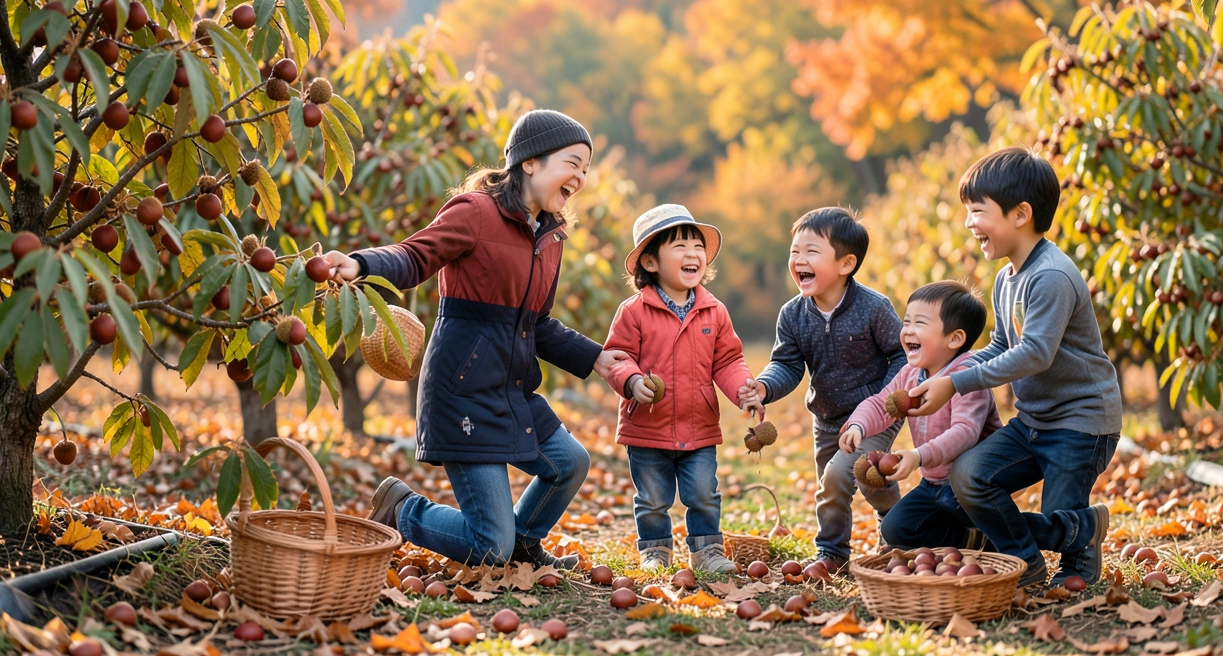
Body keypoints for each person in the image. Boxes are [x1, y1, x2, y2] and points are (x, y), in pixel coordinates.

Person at [322, 110, 628, 569]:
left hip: (511, 392)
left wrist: (597, 359)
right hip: (462, 392)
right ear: (530, 161)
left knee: (570, 463)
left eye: (586, 169)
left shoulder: (552, 237)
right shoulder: (476, 212)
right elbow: (415, 254)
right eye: (573, 163)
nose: (581, 177)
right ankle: (404, 510)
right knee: (488, 548)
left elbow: (538, 323)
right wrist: (363, 263)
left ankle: (523, 546)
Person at [907, 147, 1122, 588]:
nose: (968, 223)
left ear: (1020, 214)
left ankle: (1078, 551)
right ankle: (1027, 560)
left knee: (1059, 519)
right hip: (1035, 421)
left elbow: (1035, 354)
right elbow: (1003, 345)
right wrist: (946, 379)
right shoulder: (1007, 278)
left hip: (1081, 422)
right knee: (968, 477)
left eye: (977, 211)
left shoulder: (1051, 276)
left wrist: (956, 383)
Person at [738, 207, 906, 573]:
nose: (799, 259)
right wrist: (764, 387)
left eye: (811, 251)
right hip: (827, 417)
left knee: (841, 476)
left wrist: (884, 401)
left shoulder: (874, 308)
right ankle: (841, 551)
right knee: (839, 484)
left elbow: (901, 357)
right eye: (795, 251)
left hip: (874, 415)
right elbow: (787, 364)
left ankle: (854, 543)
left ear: (846, 263)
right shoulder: (793, 315)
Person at [602, 205, 760, 573]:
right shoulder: (634, 311)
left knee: (704, 493)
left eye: (697, 247)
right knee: (653, 498)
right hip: (647, 428)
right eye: (680, 247)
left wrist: (742, 389)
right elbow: (617, 355)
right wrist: (632, 381)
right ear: (652, 262)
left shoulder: (714, 310)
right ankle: (655, 549)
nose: (693, 254)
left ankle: (706, 551)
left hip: (698, 424)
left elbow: (728, 360)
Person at [839, 281, 998, 552]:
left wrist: (918, 456)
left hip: (974, 484)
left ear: (955, 338)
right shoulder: (911, 375)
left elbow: (965, 432)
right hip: (933, 482)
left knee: (952, 503)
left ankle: (1001, 533)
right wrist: (858, 425)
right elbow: (881, 404)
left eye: (919, 323)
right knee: (895, 529)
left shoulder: (967, 376)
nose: (908, 330)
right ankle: (969, 542)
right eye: (906, 322)